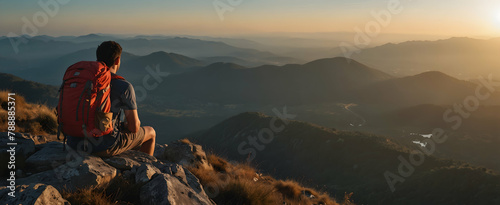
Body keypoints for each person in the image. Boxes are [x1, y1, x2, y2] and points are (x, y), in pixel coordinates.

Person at [66, 41, 156, 156]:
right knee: (151, 132)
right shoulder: (124, 86)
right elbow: (134, 127)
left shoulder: (85, 82)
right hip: (103, 146)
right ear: (117, 60)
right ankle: (144, 170)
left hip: (73, 143)